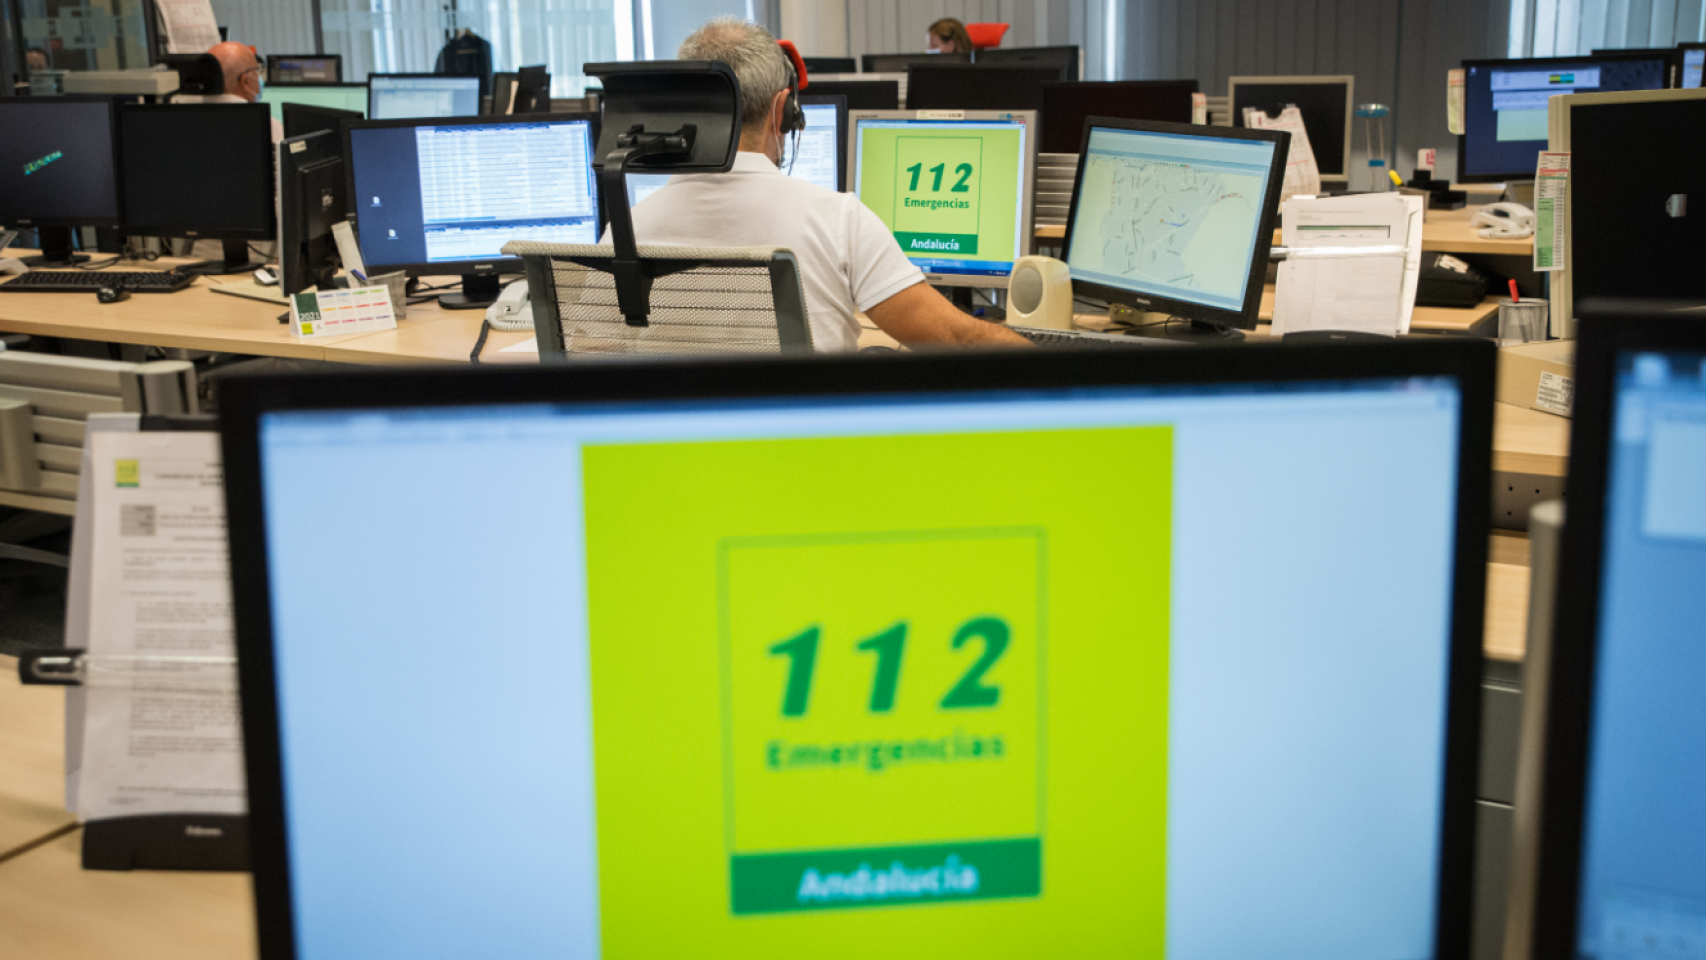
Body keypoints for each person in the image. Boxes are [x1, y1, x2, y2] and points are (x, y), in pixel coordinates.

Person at [627, 18, 1028, 352]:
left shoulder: (626, 231)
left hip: (679, 428)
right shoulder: (837, 221)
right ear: (782, 110)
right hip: (806, 427)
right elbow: (956, 339)